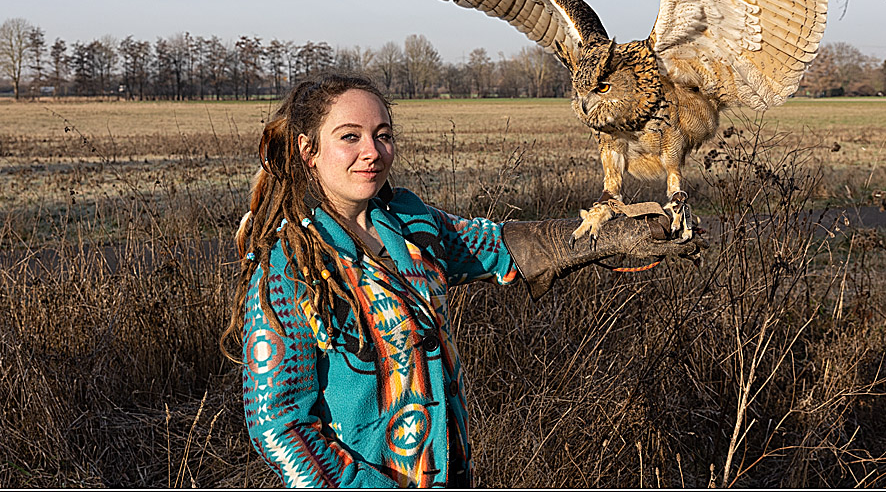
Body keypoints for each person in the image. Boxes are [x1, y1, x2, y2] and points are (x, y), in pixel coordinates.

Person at [224, 74, 701, 488]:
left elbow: (495, 244)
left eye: (383, 134)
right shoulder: (290, 264)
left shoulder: (409, 224)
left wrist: (604, 238)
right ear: (309, 150)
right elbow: (278, 424)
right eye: (350, 137)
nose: (372, 152)